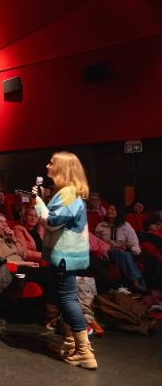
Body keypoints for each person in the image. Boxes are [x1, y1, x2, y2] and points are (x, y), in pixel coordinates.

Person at [32, 152, 96, 369]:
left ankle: (83, 351)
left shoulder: (68, 193)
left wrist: (38, 203)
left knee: (68, 300)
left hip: (65, 255)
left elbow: (52, 222)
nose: (47, 165)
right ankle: (70, 342)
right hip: (64, 254)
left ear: (63, 168)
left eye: (52, 163)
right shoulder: (67, 192)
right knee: (63, 299)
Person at [94, 204, 147, 293]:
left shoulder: (126, 226)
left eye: (113, 210)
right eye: (108, 209)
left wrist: (134, 251)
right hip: (108, 251)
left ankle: (138, 286)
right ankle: (137, 283)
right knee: (120, 253)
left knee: (126, 255)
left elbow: (133, 240)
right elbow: (97, 242)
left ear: (118, 212)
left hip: (123, 251)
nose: (109, 211)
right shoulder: (100, 226)